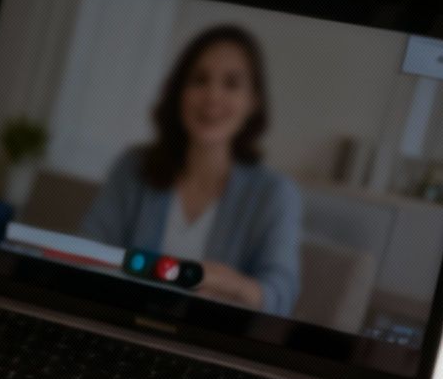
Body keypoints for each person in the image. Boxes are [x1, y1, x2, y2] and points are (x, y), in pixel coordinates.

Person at [79, 24, 302, 316]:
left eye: (231, 83)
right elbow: (85, 250)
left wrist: (238, 286)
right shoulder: (134, 167)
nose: (212, 95)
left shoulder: (275, 194)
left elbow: (280, 295)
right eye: (199, 80)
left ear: (253, 103)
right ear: (180, 92)